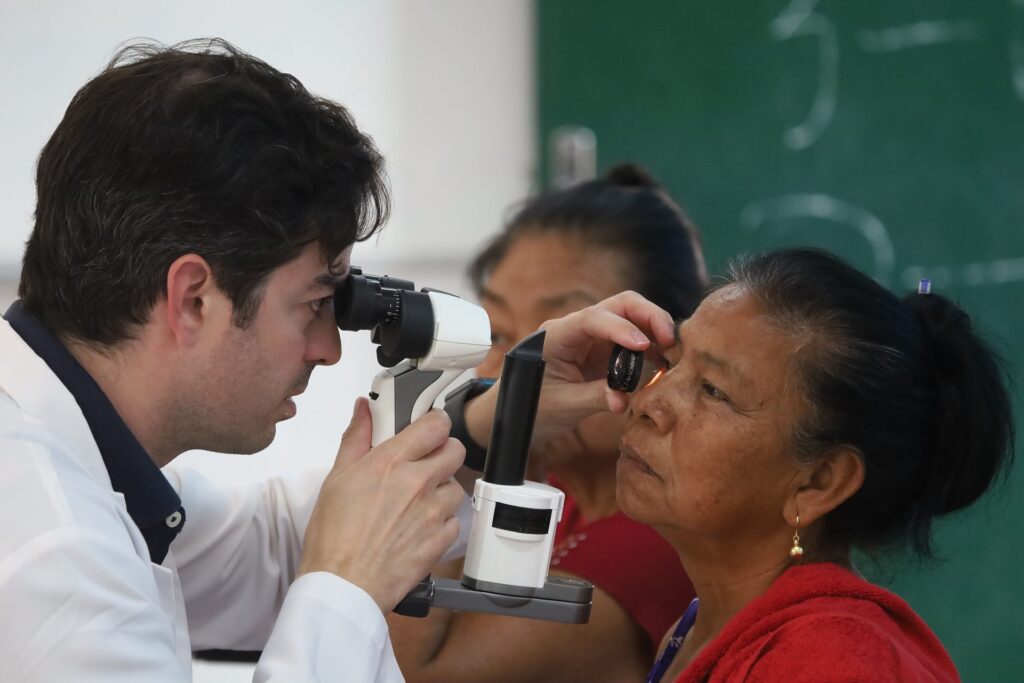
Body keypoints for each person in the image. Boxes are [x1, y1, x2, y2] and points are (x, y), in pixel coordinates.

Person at [0, 39, 677, 681]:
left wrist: (496, 416)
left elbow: (259, 550)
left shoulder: (66, 453)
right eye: (317, 302)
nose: (328, 349)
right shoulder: (54, 560)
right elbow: (322, 572)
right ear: (194, 300)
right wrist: (346, 589)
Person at [616, 248, 1014, 682]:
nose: (648, 402)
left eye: (713, 391)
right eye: (672, 363)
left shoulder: (834, 663)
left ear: (820, 482)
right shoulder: (698, 628)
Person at [387, 164, 706, 682]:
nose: (514, 372)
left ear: (664, 346)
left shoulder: (661, 541)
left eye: (576, 342)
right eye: (499, 334)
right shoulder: (549, 489)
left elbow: (405, 673)